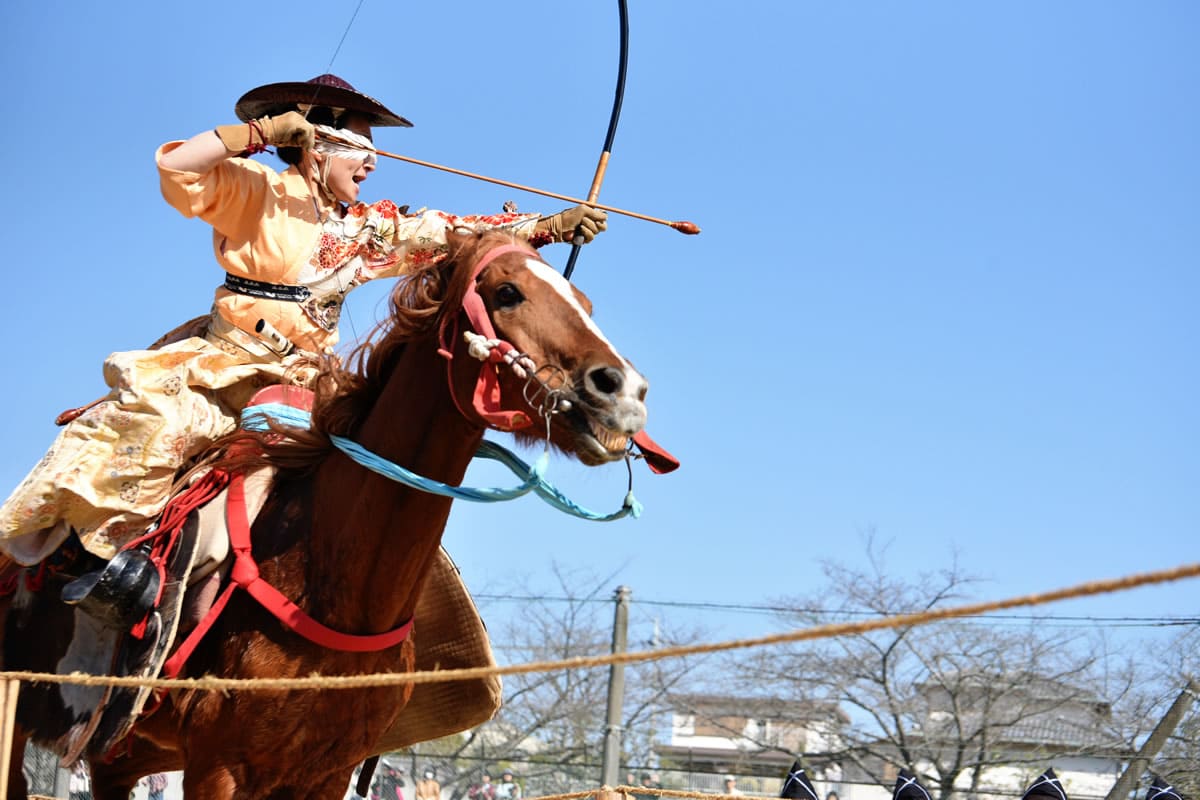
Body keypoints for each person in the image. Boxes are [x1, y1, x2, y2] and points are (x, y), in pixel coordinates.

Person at [0, 73, 607, 631]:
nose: (373, 159)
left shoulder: (368, 227)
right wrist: (256, 135)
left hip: (308, 386)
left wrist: (549, 227)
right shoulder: (259, 190)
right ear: (316, 144)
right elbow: (180, 169)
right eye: (359, 145)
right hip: (226, 367)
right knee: (154, 432)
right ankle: (108, 565)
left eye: (374, 148)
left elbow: (453, 232)